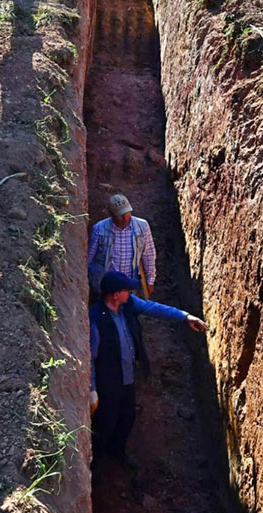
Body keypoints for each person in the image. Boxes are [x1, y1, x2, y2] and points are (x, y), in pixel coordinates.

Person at [89, 271, 206, 468]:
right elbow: (90, 357)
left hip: (127, 377)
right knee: (105, 421)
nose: (130, 293)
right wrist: (92, 388)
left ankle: (117, 451)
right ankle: (95, 462)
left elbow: (153, 308)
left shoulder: (129, 305)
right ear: (115, 295)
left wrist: (185, 317)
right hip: (108, 380)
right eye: (126, 290)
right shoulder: (95, 319)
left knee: (127, 416)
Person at [87, 192, 156, 297]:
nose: (125, 218)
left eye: (127, 213)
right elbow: (89, 258)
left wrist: (150, 281)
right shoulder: (99, 228)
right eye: (120, 215)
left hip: (130, 285)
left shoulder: (142, 226)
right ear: (111, 214)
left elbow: (148, 255)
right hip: (107, 286)